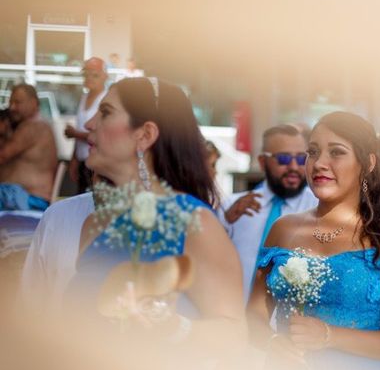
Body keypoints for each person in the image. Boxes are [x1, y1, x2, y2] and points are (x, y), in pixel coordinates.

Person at [246, 112, 380, 370]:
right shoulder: (282, 230)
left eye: (336, 152)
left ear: (367, 163)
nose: (319, 163)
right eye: (312, 152)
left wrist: (329, 336)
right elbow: (255, 313)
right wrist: (273, 343)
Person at [63, 77, 245, 348]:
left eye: (106, 112)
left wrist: (173, 328)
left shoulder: (193, 221)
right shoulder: (94, 223)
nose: (89, 124)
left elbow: (234, 338)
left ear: (145, 135)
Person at [221, 124, 317, 302]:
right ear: (263, 162)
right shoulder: (232, 207)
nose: (294, 167)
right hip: (232, 319)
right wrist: (224, 220)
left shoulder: (318, 208)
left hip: (287, 324)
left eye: (301, 158)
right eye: (284, 158)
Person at [0, 84, 57, 210]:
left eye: (17, 102)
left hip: (31, 200)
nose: (12, 107)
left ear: (34, 103)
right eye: (10, 102)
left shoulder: (33, 126)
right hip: (18, 198)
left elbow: (2, 156)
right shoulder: (29, 125)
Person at [65, 57, 109, 193]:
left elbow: (103, 135)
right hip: (83, 161)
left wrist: (75, 134)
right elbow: (79, 128)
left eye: (94, 75)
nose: (89, 78)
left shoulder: (106, 100)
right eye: (86, 74)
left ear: (104, 77)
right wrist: (74, 159)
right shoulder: (84, 97)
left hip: (98, 163)